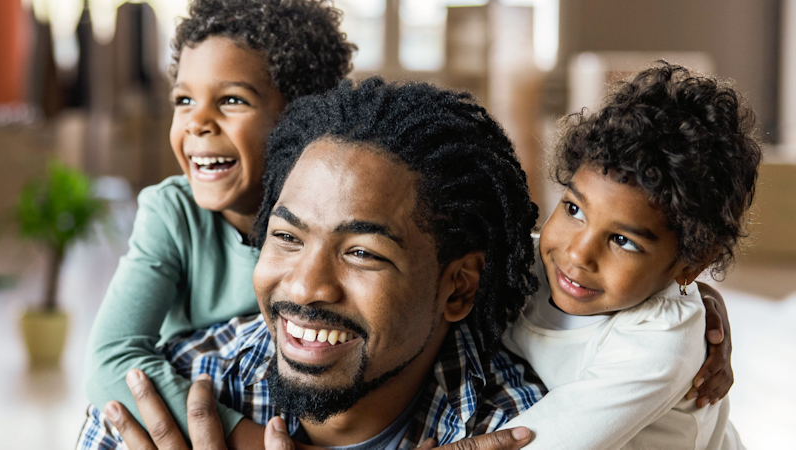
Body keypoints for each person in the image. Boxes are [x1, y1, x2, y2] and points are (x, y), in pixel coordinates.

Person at [81, 78, 549, 449]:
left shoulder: (522, 429)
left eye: (362, 253)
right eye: (286, 237)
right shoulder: (169, 399)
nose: (304, 287)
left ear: (459, 288)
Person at [84, 0, 355, 446]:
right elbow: (111, 360)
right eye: (183, 100)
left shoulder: (337, 219)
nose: (197, 122)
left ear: (302, 117)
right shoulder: (173, 214)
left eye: (231, 100)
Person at [496, 62, 759, 449]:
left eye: (623, 241)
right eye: (574, 210)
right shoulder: (526, 260)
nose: (578, 253)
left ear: (693, 263)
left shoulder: (662, 342)